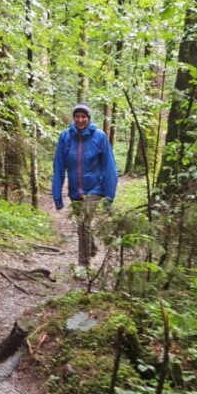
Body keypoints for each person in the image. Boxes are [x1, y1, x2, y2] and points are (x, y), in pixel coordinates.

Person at [51, 103, 117, 278]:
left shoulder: (100, 137)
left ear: (89, 118)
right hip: (75, 190)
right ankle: (91, 248)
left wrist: (109, 196)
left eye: (83, 117)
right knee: (84, 226)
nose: (80, 120)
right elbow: (58, 167)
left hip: (95, 188)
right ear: (73, 118)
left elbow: (109, 167)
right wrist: (57, 196)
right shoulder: (65, 137)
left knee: (83, 223)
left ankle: (83, 263)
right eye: (77, 116)